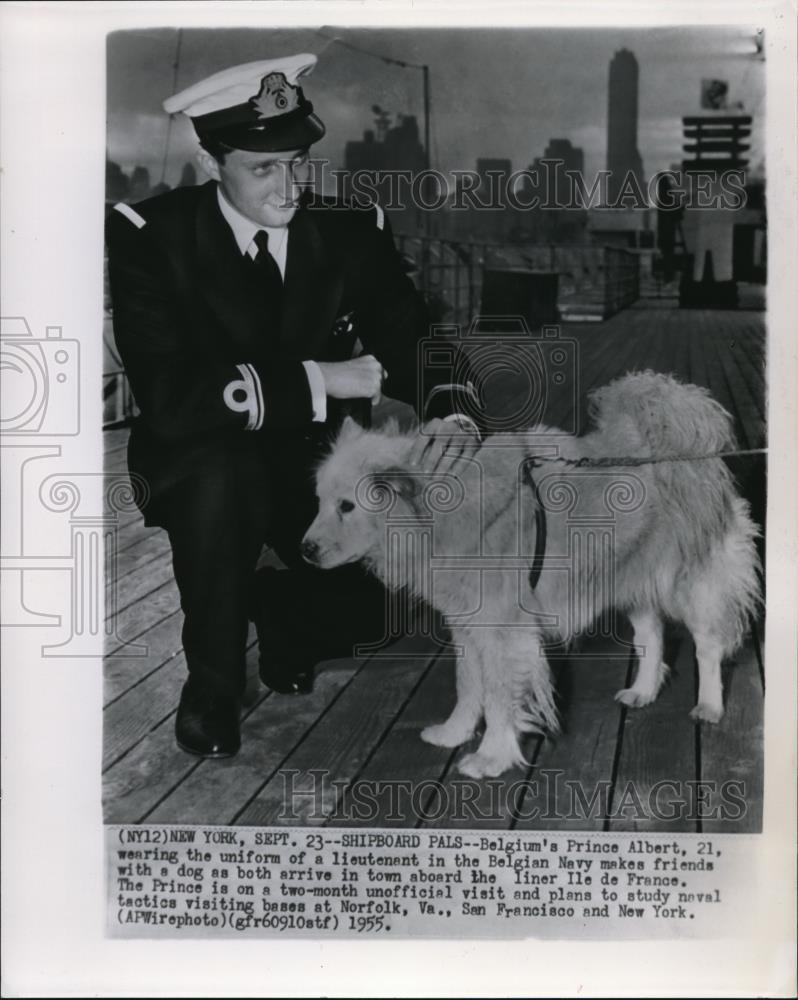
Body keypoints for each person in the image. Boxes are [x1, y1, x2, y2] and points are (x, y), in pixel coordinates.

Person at [107, 53, 481, 759]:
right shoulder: (149, 236)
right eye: (263, 169)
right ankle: (211, 689)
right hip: (202, 458)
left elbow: (412, 334)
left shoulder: (350, 229)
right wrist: (322, 380)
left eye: (300, 162)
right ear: (209, 159)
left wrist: (451, 407)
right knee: (222, 490)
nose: (290, 187)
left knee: (387, 603)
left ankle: (284, 620)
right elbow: (171, 398)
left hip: (315, 462)